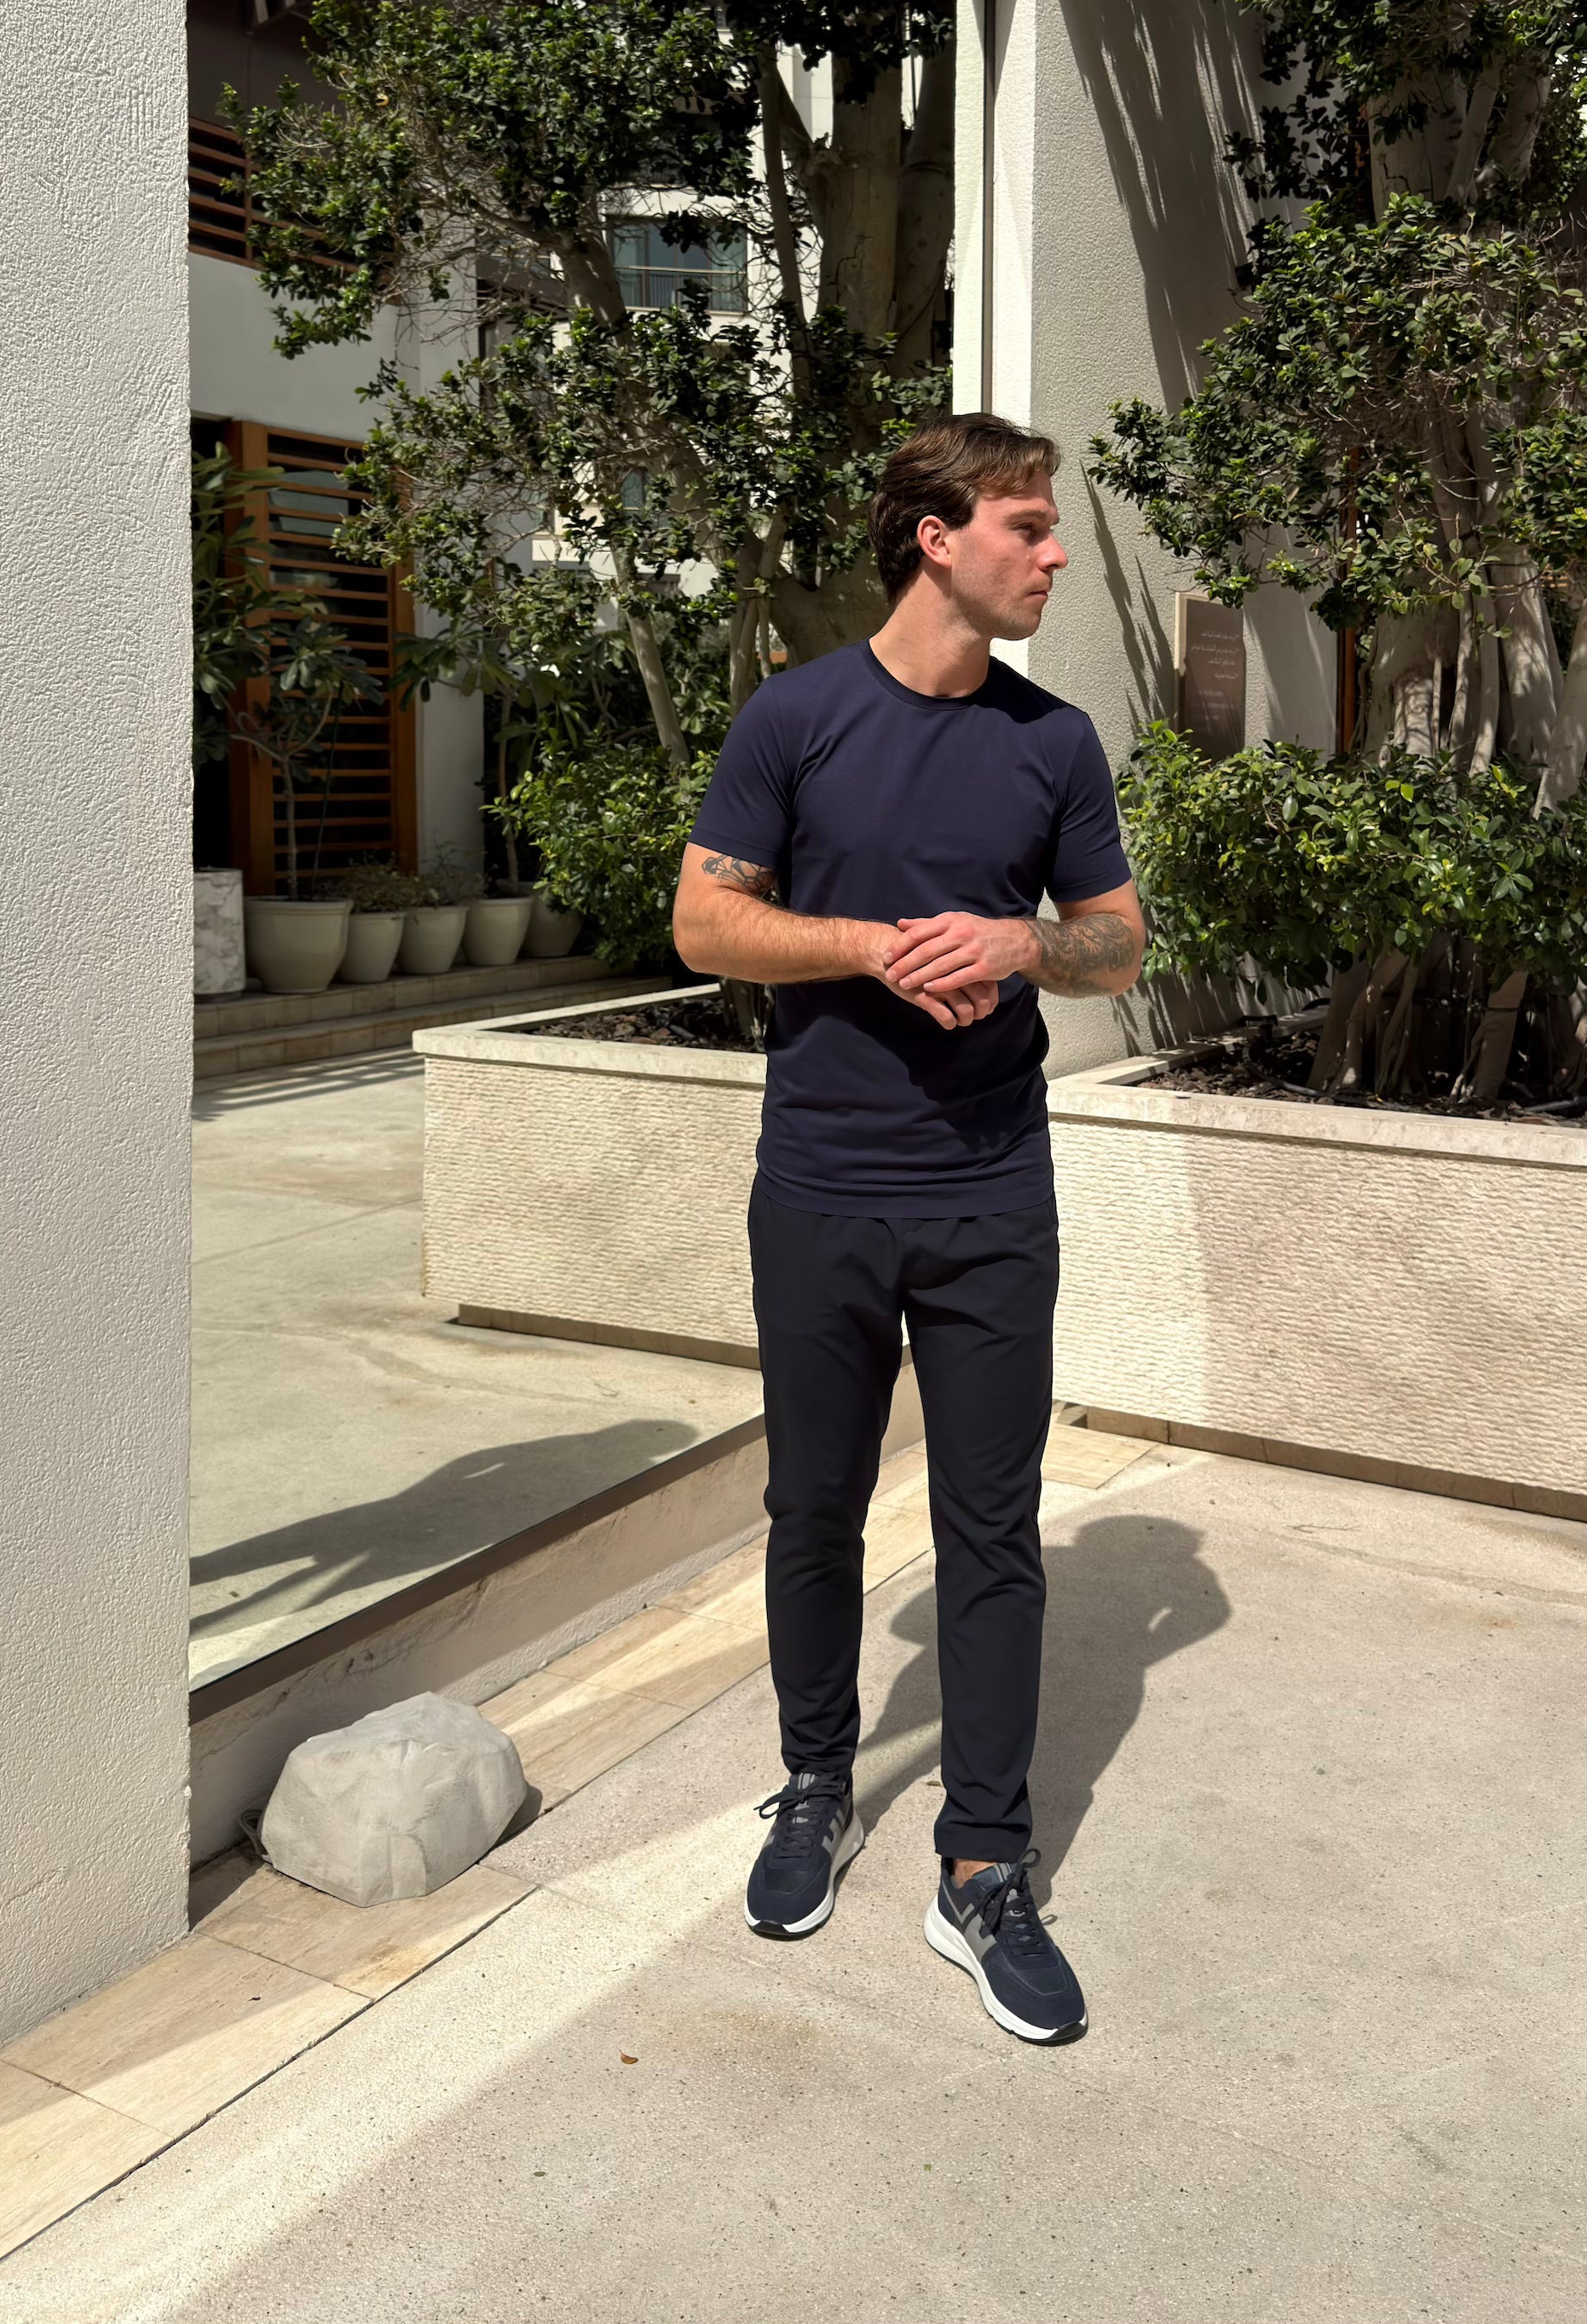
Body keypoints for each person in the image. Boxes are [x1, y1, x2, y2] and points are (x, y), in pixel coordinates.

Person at [672, 413, 1143, 2044]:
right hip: (819, 1187)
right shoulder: (795, 717)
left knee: (993, 1530)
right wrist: (875, 947)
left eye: (1051, 525)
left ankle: (984, 1864)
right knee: (813, 1508)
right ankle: (816, 1781)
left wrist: (1018, 949)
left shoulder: (1053, 742)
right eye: (1027, 524)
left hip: (993, 1190)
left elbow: (1118, 946)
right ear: (937, 538)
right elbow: (703, 918)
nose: (1054, 552)